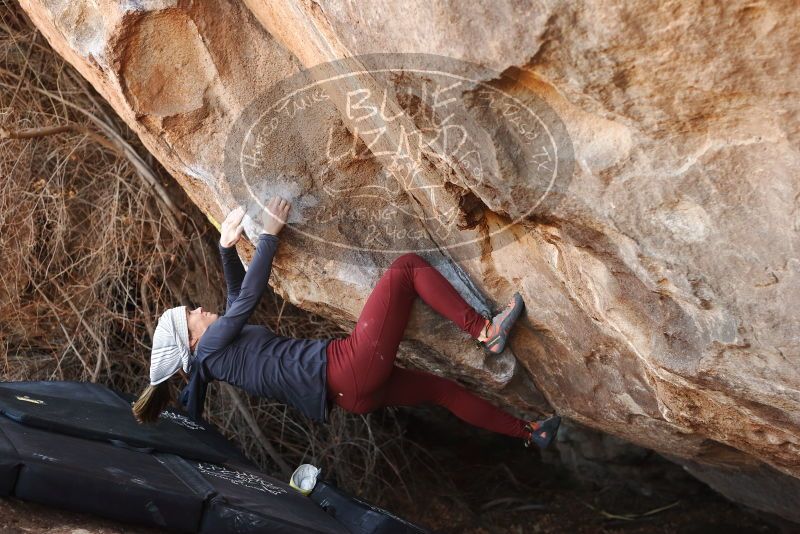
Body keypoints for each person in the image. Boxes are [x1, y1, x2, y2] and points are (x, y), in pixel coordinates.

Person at [132, 196, 561, 449]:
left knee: (443, 391)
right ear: (189, 339)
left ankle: (529, 432)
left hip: (350, 395)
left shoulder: (212, 360)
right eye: (193, 315)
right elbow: (245, 301)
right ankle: (485, 332)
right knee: (406, 269)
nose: (202, 312)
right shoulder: (209, 351)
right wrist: (270, 236)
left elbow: (232, 302)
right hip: (348, 367)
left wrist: (227, 249)